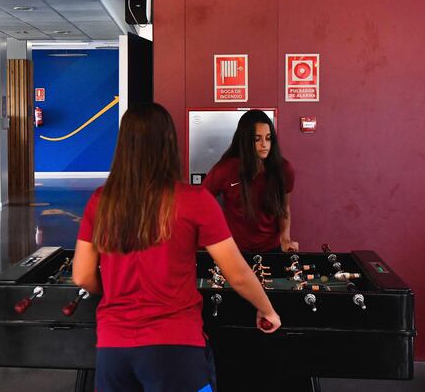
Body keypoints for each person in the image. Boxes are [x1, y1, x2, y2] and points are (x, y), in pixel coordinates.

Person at [73, 103, 280, 392]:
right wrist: (267, 310)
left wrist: (118, 291)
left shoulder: (100, 201)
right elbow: (237, 273)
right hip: (176, 347)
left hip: (113, 348)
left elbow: (82, 276)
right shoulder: (194, 200)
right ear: (169, 142)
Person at [203, 110, 298, 253]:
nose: (264, 144)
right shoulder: (225, 169)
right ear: (245, 140)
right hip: (233, 251)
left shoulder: (284, 169)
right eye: (257, 139)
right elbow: (201, 201)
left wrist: (285, 238)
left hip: (271, 249)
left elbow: (284, 208)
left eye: (268, 138)